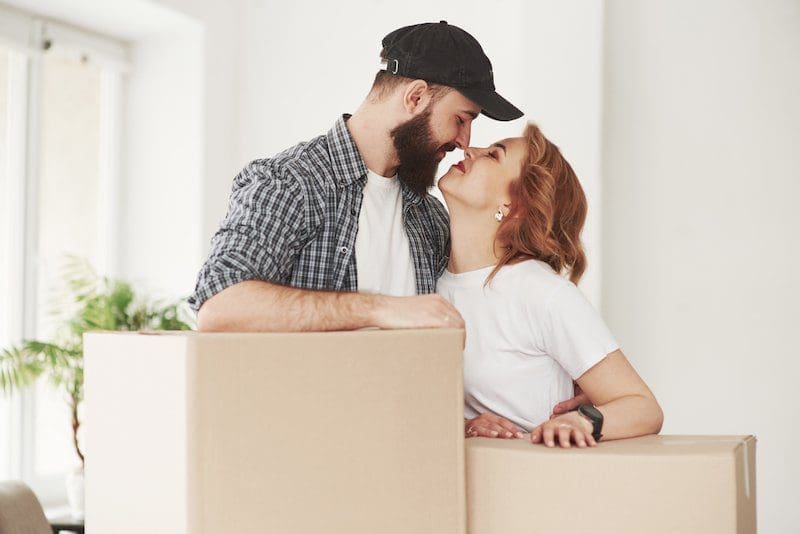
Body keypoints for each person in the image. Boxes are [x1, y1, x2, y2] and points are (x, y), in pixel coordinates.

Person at [189, 21, 523, 332]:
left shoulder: (430, 217)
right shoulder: (290, 183)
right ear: (415, 97)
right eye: (462, 119)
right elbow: (218, 307)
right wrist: (376, 308)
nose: (465, 141)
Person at [436, 123, 664, 447]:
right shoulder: (425, 279)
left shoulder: (541, 293)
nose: (469, 150)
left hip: (541, 485)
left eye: (493, 155)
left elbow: (643, 407)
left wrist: (581, 420)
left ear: (514, 206)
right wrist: (464, 425)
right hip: (458, 485)